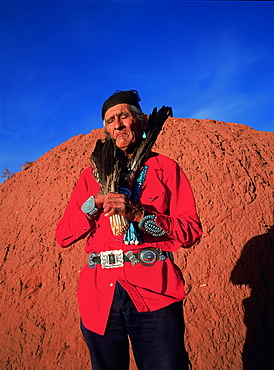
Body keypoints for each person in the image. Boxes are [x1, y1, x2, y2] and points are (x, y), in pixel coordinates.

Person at [55, 90, 202, 370]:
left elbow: (191, 231)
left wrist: (139, 215)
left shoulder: (166, 168)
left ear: (143, 121)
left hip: (154, 291)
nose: (117, 124)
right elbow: (62, 236)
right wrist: (91, 204)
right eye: (110, 120)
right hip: (99, 296)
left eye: (123, 116)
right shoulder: (91, 176)